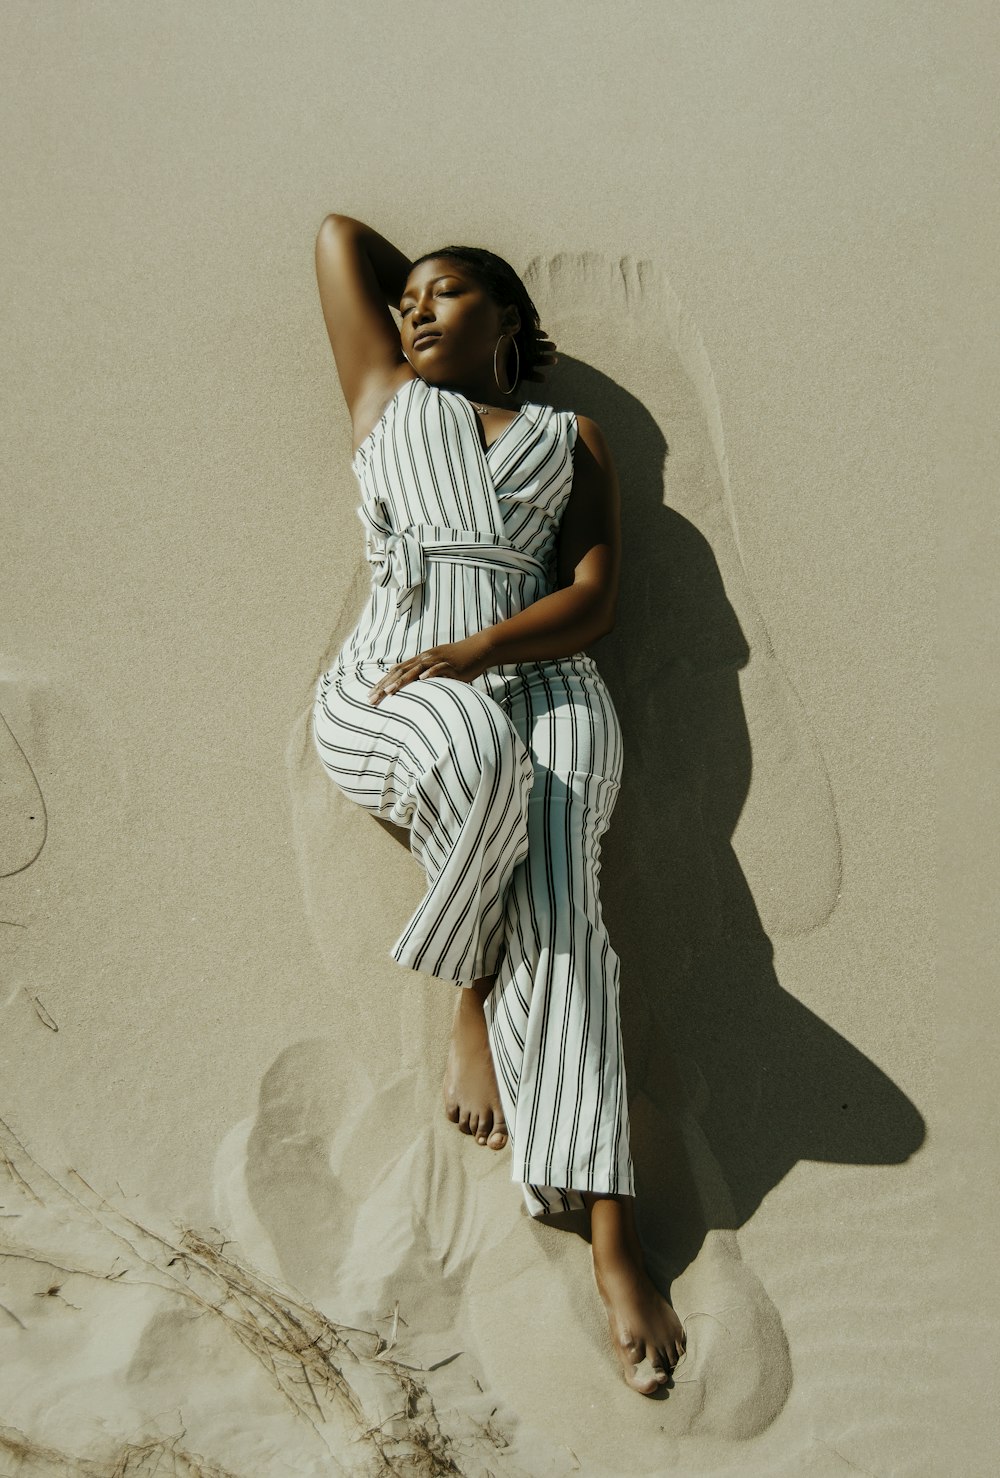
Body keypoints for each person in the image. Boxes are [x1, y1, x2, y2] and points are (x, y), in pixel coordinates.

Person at [311, 214, 686, 1394]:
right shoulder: (383, 399)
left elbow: (591, 602)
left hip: (542, 678)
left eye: (449, 295)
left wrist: (486, 644)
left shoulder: (569, 436)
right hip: (391, 688)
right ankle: (473, 998)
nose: (414, 309)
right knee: (478, 749)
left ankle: (616, 1238)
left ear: (512, 322)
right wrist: (419, 282)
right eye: (407, 298)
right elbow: (338, 241)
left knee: (570, 905)